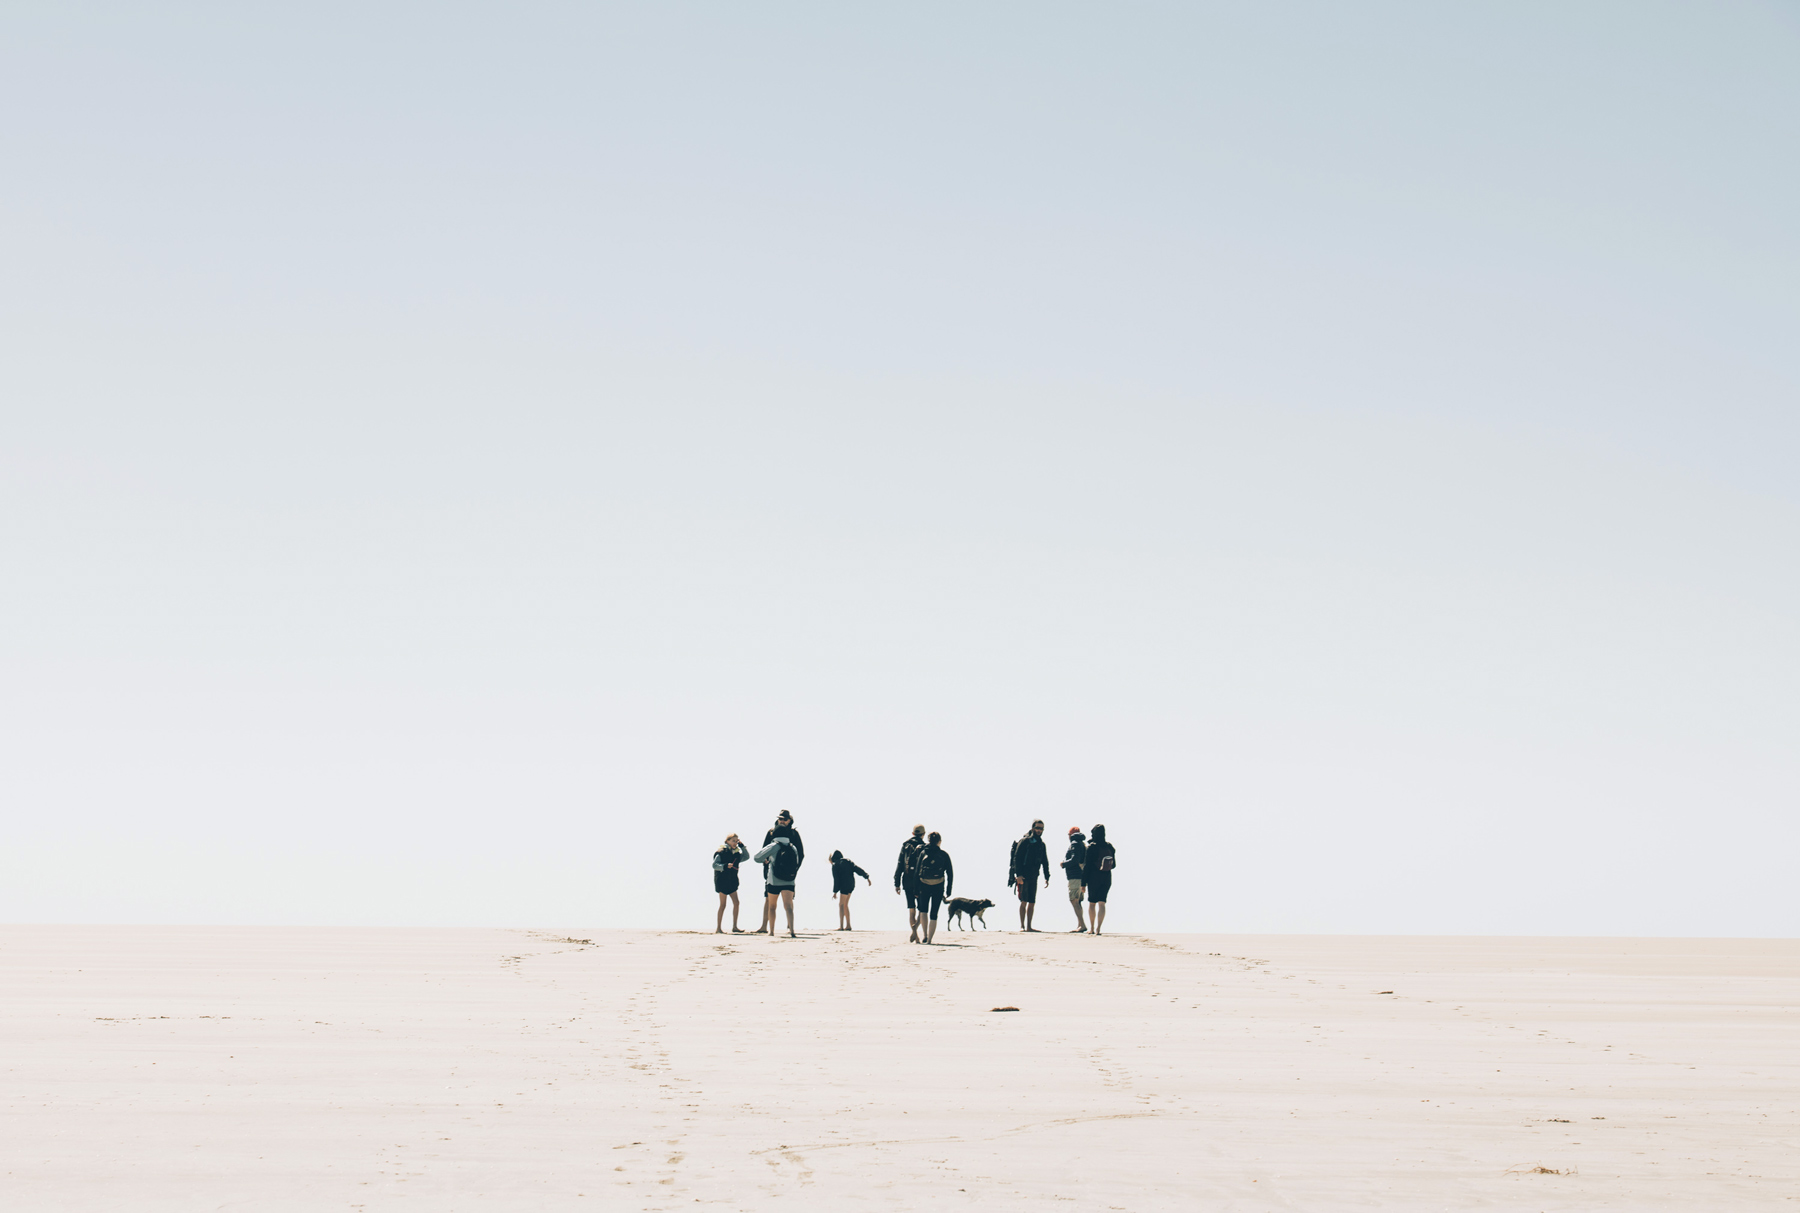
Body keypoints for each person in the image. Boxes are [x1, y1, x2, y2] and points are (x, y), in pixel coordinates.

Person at [757, 811, 804, 938]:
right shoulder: (772, 832)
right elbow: (764, 850)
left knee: (788, 900)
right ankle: (764, 926)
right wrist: (765, 865)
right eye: (780, 819)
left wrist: (795, 869)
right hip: (772, 870)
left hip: (789, 872)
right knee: (769, 897)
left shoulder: (794, 833)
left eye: (784, 819)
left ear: (790, 820)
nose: (781, 821)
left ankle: (789, 926)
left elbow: (801, 853)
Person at [1007, 819, 1051, 932]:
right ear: (1032, 828)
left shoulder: (1041, 844)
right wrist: (1019, 875)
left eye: (1041, 828)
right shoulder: (1025, 841)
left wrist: (1047, 876)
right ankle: (1022, 926)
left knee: (1032, 902)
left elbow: (1045, 861)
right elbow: (1017, 858)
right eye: (1037, 828)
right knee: (1024, 901)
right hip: (1024, 876)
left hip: (1034, 875)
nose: (1039, 830)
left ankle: (1029, 926)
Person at [915, 831, 954, 944]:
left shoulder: (923, 853)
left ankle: (925, 935)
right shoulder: (944, 855)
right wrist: (949, 889)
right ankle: (930, 939)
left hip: (923, 884)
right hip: (938, 885)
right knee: (934, 912)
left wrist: (915, 889)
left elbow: (917, 872)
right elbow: (950, 873)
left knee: (923, 910)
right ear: (939, 842)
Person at [893, 824, 928, 943]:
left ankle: (916, 936)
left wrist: (896, 882)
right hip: (920, 881)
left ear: (913, 833)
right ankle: (915, 929)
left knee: (911, 909)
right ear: (923, 834)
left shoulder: (905, 845)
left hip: (907, 880)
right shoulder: (924, 846)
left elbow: (900, 864)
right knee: (921, 909)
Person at [1082, 823, 1116, 935]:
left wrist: (1083, 883)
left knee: (1092, 903)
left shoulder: (1092, 847)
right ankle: (1098, 929)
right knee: (1102, 903)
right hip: (1106, 877)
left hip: (1093, 878)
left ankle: (1091, 928)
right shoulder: (1110, 847)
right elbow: (1114, 865)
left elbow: (1087, 866)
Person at [713, 833, 749, 933]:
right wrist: (724, 866)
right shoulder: (721, 852)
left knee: (736, 903)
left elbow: (746, 856)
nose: (735, 843)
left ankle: (735, 926)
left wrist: (742, 846)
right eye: (733, 840)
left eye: (736, 841)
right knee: (723, 905)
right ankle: (718, 928)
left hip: (732, 881)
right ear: (727, 841)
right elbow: (714, 865)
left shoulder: (737, 853)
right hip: (722, 881)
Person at [828, 850, 871, 930]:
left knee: (841, 904)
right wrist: (866, 876)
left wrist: (835, 892)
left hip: (844, 885)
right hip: (851, 885)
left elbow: (836, 879)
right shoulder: (848, 861)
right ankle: (848, 925)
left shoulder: (835, 865)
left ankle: (841, 926)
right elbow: (857, 869)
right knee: (845, 904)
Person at [1062, 827, 1089, 933]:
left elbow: (1074, 859)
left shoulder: (1075, 843)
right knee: (1078, 900)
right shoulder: (1083, 844)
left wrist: (1064, 864)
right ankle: (1080, 924)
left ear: (1071, 835)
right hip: (1081, 876)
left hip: (1075, 876)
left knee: (1074, 900)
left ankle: (1082, 925)